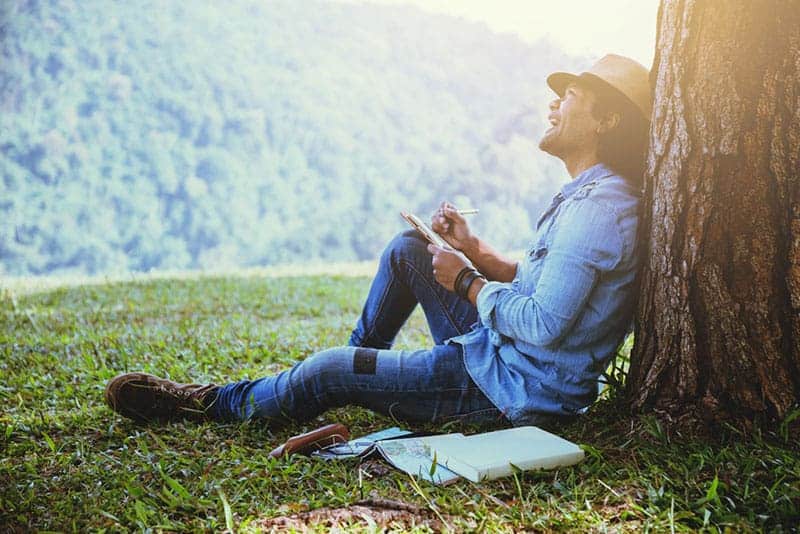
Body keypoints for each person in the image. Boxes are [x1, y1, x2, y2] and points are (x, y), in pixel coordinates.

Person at [105, 54, 652, 429]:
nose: (553, 104)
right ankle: (360, 366)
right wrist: (480, 254)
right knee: (408, 251)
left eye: (569, 96)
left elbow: (544, 325)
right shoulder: (590, 195)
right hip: (503, 355)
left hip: (512, 390)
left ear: (606, 118)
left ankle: (210, 404)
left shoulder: (599, 210)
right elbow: (549, 287)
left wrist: (465, 281)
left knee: (328, 370)